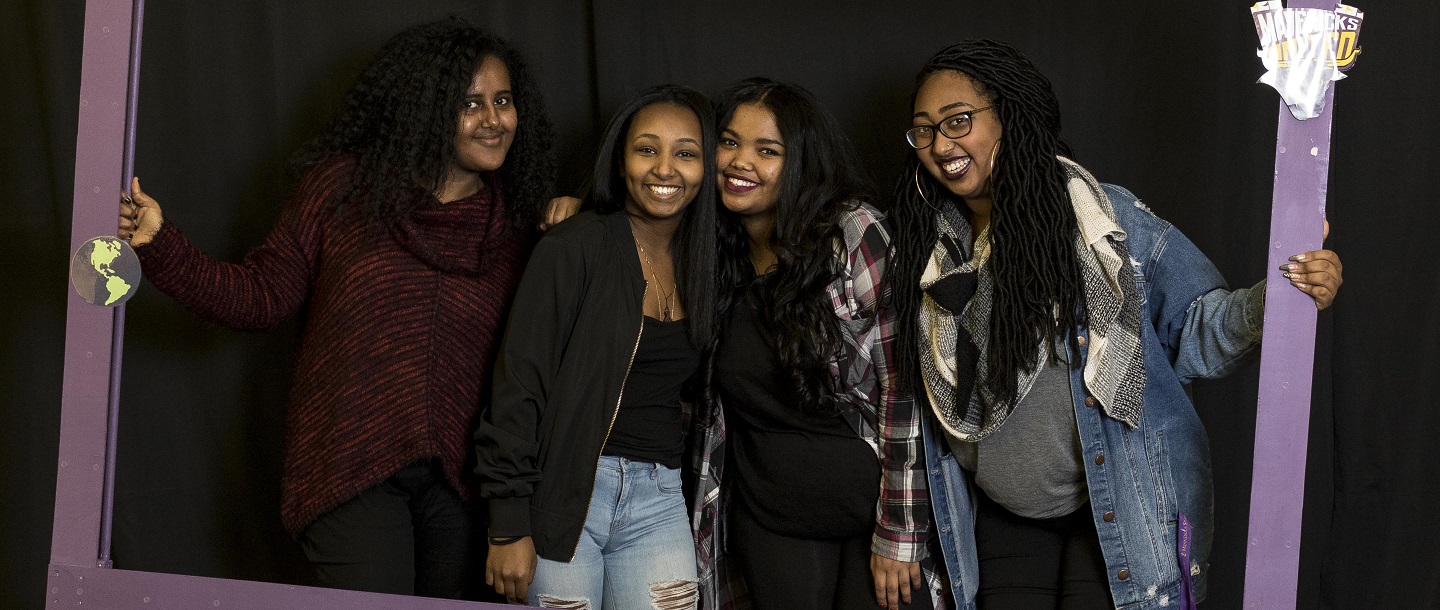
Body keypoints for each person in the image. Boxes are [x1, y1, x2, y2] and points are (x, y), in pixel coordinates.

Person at [888, 40, 1343, 610]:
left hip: (1114, 509)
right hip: (1001, 513)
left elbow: (1198, 330)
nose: (940, 144)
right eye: (924, 130)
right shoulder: (923, 251)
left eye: (958, 121)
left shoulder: (1106, 220)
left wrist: (1284, 295)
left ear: (1011, 117)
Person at [115, 18, 556, 598]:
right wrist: (160, 244)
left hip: (465, 487)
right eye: (470, 103)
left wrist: (577, 220)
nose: (494, 119)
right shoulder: (344, 191)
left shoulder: (523, 229)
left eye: (503, 101)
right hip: (351, 467)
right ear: (426, 108)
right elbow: (261, 296)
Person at [690, 78, 943, 610]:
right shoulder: (707, 246)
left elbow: (903, 390)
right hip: (771, 518)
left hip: (871, 518)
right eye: (730, 143)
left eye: (767, 150)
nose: (741, 162)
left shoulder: (855, 236)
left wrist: (899, 533)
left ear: (802, 160)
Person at [475, 84, 718, 609]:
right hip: (566, 494)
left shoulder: (709, 264)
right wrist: (506, 525)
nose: (665, 169)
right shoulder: (572, 248)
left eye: (686, 153)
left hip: (660, 499)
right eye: (647, 149)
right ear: (621, 157)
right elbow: (518, 387)